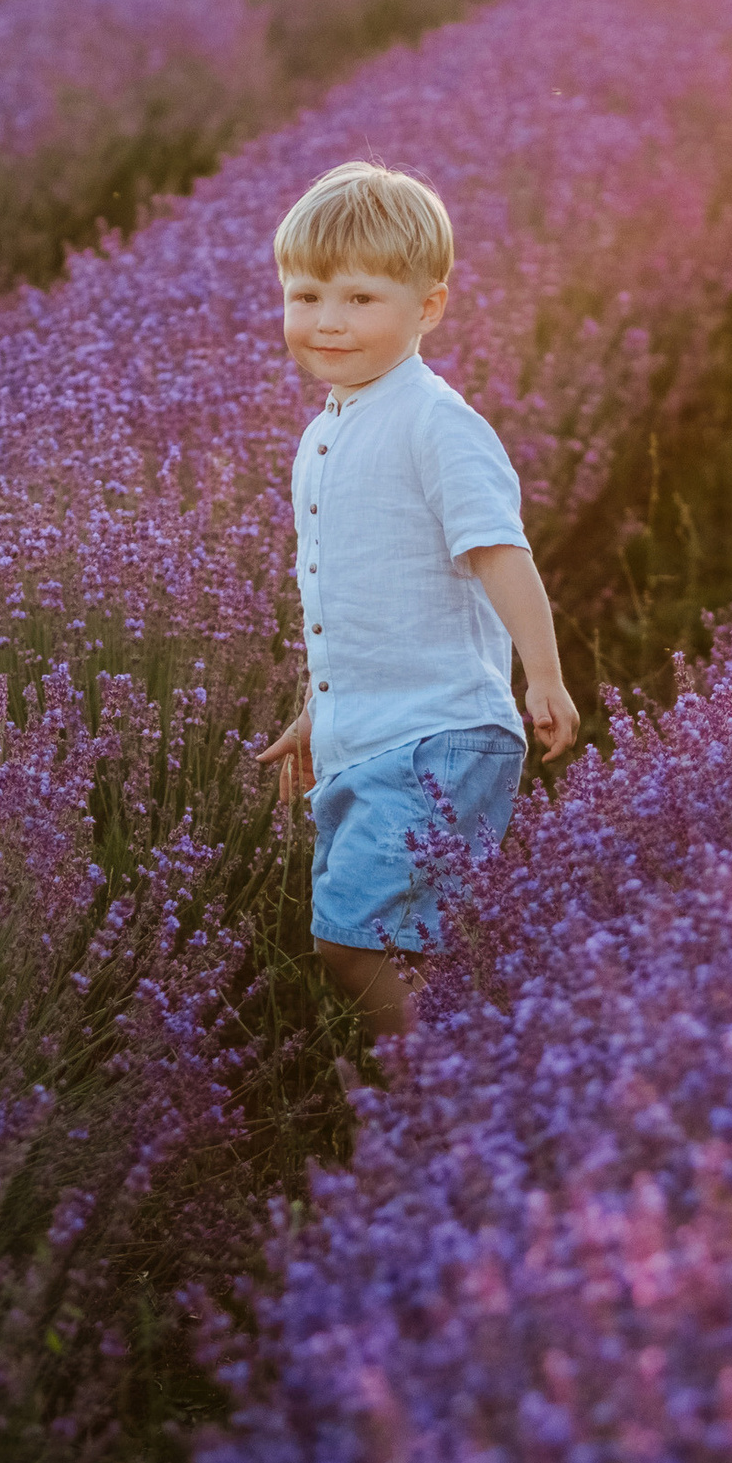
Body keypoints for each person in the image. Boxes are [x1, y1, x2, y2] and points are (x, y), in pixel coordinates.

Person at [255, 161, 580, 1041]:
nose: (328, 320)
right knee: (408, 942)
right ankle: (497, 1067)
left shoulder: (435, 421)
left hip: (440, 732)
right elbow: (353, 600)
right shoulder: (327, 432)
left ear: (428, 307)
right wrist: (318, 710)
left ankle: (452, 1087)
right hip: (368, 734)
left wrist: (544, 676)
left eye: (360, 299)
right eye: (307, 295)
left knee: (351, 943)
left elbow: (500, 551)